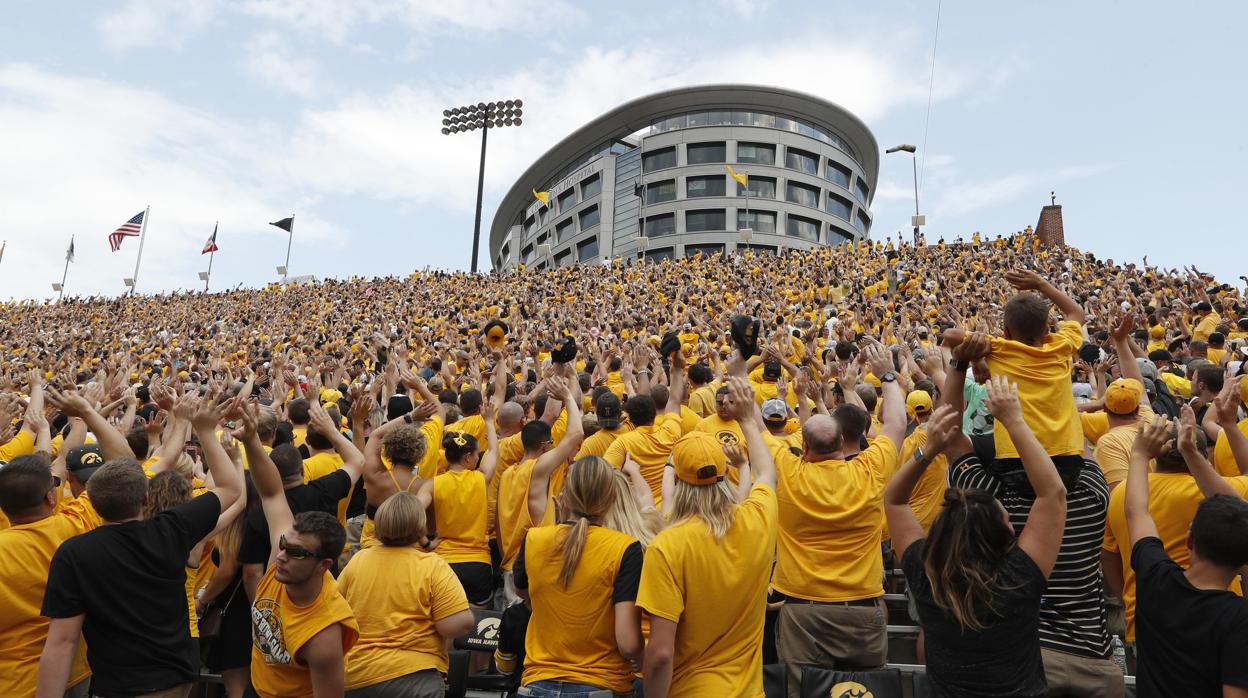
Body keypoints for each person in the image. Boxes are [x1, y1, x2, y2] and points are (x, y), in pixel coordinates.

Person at [945, 334, 1121, 696]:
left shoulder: (994, 502)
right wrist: (1040, 392)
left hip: (1025, 659)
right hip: (1093, 660)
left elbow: (949, 433)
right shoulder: (1092, 492)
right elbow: (1074, 445)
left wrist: (961, 362)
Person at [37, 391, 243, 698]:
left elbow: (62, 642)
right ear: (144, 498)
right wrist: (203, 429)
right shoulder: (172, 529)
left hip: (118, 684)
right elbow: (231, 487)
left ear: (90, 500)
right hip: (175, 678)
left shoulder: (74, 553)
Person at [886, 375, 1068, 697]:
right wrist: (1014, 422)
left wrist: (927, 451)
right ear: (1003, 534)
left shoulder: (927, 575)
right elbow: (1052, 494)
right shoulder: (1019, 576)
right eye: (1009, 521)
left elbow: (893, 501)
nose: (1013, 526)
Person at [769, 341, 905, 696]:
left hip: (804, 611)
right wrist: (887, 374)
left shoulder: (790, 471)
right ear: (845, 439)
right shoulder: (871, 469)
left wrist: (741, 377)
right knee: (865, 691)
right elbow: (896, 423)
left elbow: (756, 432)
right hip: (862, 609)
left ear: (806, 449)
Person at [637, 371, 778, 697]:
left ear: (679, 481)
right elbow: (767, 472)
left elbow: (659, 655)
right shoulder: (756, 518)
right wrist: (747, 420)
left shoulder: (666, 545)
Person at [237, 398, 361, 698]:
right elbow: (270, 492)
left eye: (296, 553)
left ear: (324, 565)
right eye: (283, 546)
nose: (280, 556)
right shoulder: (279, 562)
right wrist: (251, 439)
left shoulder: (323, 634)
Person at [1124, 414, 1248, 696]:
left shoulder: (1155, 578)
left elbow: (1137, 512)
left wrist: (1141, 455)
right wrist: (1192, 453)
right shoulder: (1238, 619)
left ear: (1190, 539)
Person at [0, 392, 106, 698]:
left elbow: (55, 466)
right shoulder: (74, 523)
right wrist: (86, 415)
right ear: (50, 497)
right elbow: (119, 462)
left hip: (12, 682)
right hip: (72, 670)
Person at [514, 456, 644, 696]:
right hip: (602, 683)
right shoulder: (625, 548)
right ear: (612, 498)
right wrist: (642, 657)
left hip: (538, 682)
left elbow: (524, 592)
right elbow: (627, 643)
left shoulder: (533, 539)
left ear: (565, 494)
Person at [338, 492, 474, 697]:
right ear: (421, 527)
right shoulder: (432, 565)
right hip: (415, 678)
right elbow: (453, 624)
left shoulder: (359, 560)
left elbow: (336, 612)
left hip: (358, 676)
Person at [432, 400, 500, 607]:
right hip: (477, 562)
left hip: (443, 561)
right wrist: (489, 421)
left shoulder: (433, 483)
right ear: (468, 457)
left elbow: (411, 512)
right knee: (476, 629)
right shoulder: (480, 478)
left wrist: (425, 542)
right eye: (477, 453)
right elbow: (495, 452)